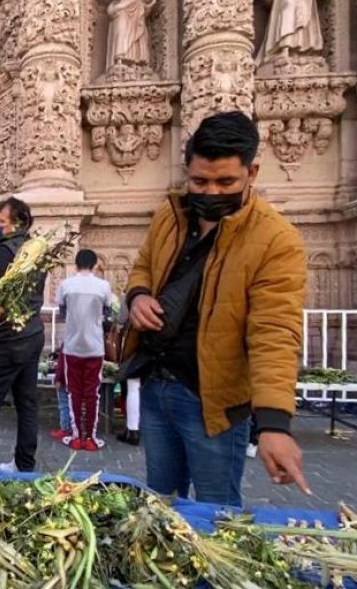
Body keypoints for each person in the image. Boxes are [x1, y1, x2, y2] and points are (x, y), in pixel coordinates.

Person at [120, 111, 311, 507]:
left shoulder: (277, 240)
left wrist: (275, 424)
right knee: (161, 506)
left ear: (252, 172)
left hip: (212, 401)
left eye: (225, 182)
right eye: (199, 181)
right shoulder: (170, 215)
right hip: (157, 384)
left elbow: (275, 334)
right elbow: (143, 265)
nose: (209, 192)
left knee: (216, 512)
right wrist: (138, 296)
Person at [0, 197, 45, 473]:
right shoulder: (35, 252)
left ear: (17, 223)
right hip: (33, 333)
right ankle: (25, 464)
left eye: (0, 221)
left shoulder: (6, 252)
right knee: (27, 402)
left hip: (8, 338)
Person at [56, 249, 112, 451]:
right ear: (95, 264)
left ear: (76, 264)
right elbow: (107, 312)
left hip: (72, 345)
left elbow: (62, 312)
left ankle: (76, 436)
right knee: (92, 393)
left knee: (74, 393)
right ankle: (91, 437)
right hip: (95, 347)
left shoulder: (66, 285)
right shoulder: (103, 286)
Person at [116, 300, 141, 446]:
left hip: (138, 343)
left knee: (133, 386)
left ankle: (132, 430)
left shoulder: (136, 293)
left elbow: (121, 319)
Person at [49, 346, 72, 441]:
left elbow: (62, 363)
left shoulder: (68, 342)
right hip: (75, 378)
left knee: (64, 404)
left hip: (65, 379)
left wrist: (58, 378)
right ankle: (73, 427)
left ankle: (65, 428)